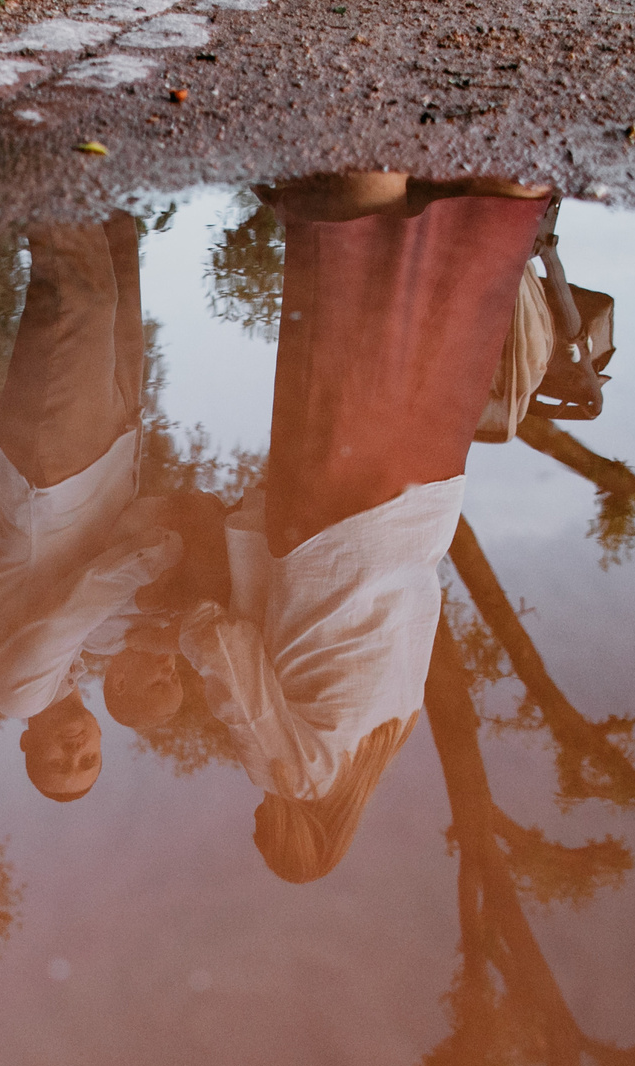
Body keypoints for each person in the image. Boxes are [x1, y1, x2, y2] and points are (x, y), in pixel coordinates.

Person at [166, 171, 554, 880]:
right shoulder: (294, 777)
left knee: (435, 345)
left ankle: (489, 194)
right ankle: (362, 186)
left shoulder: (390, 734)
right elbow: (224, 648)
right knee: (341, 349)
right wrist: (184, 629)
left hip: (419, 514)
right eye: (264, 827)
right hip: (332, 529)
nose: (258, 808)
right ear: (292, 827)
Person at [0, 215, 182, 800]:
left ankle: (45, 145)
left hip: (53, 471)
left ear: (27, 746)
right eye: (87, 758)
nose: (74, 750)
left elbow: (84, 594)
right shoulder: (87, 657)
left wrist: (166, 553)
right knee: (118, 262)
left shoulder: (16, 691)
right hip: (108, 455)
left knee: (79, 294)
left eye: (59, 763)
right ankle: (98, 148)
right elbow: (113, 620)